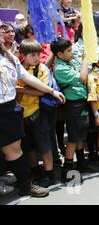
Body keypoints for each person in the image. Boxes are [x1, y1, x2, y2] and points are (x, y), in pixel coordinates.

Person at [0, 27, 65, 197]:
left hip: (9, 110)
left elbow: (28, 78)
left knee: (15, 150)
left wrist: (51, 91)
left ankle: (26, 185)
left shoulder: (9, 58)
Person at [16, 40, 57, 188]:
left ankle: (49, 173)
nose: (36, 57)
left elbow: (42, 90)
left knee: (44, 146)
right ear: (22, 56)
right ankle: (36, 171)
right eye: (32, 55)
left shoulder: (42, 69)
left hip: (38, 114)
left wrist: (20, 90)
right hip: (21, 115)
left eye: (38, 54)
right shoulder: (18, 70)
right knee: (29, 147)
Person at [51, 38, 91, 182]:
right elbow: (82, 77)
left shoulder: (69, 61)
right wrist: (86, 59)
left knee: (79, 134)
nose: (71, 52)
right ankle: (67, 169)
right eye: (68, 50)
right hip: (72, 105)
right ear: (59, 54)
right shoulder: (60, 68)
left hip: (80, 102)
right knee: (73, 138)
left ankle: (81, 163)